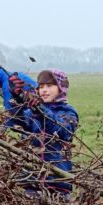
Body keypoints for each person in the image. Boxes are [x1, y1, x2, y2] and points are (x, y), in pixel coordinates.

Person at [10, 68, 79, 197]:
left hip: (57, 181)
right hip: (32, 178)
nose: (44, 90)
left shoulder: (68, 113)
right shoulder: (31, 112)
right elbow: (16, 123)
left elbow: (60, 130)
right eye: (41, 86)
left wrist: (40, 112)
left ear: (61, 88)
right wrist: (17, 100)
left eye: (49, 85)